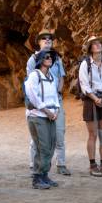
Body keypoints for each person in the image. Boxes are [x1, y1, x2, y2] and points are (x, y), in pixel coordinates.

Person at [25, 29, 71, 176]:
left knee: (59, 132)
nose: (47, 40)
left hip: (55, 102)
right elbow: (31, 82)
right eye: (43, 38)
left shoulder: (56, 59)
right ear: (38, 42)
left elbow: (61, 77)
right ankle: (34, 165)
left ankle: (61, 163)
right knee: (38, 136)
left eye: (50, 38)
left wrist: (57, 92)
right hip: (40, 104)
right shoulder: (33, 59)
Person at [78, 36, 102, 177]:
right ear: (90, 48)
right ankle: (93, 164)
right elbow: (84, 85)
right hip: (90, 100)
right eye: (94, 44)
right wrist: (95, 99)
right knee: (93, 134)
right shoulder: (85, 64)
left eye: (99, 43)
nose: (97, 45)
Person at [25, 49, 61, 189]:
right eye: (46, 57)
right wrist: (46, 111)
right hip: (37, 116)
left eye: (51, 57)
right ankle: (37, 177)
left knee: (51, 146)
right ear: (40, 60)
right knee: (42, 146)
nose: (50, 59)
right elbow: (33, 96)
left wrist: (56, 111)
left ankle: (44, 175)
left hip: (51, 116)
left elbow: (55, 96)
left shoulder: (52, 76)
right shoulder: (34, 76)